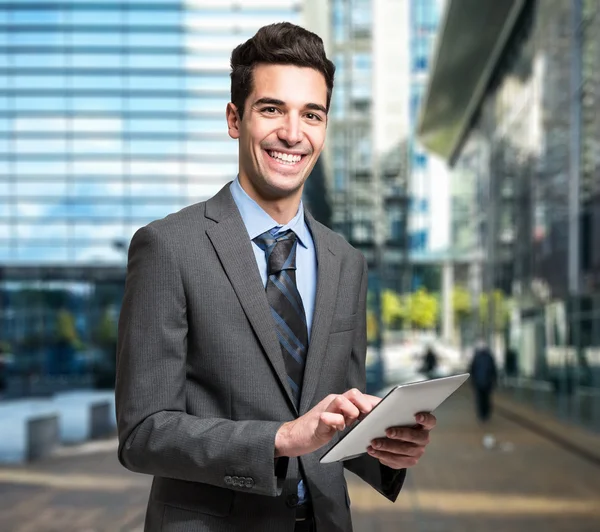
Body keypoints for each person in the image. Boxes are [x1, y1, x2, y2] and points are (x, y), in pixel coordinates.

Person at [115, 22, 436, 532]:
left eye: (312, 114)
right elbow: (142, 434)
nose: (293, 133)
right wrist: (278, 440)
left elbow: (332, 420)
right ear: (234, 119)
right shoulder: (168, 248)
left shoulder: (346, 262)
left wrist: (383, 446)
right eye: (272, 109)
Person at [469, 340, 498, 449]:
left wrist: (473, 381)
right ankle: (486, 414)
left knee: (481, 399)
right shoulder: (489, 357)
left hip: (479, 382)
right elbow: (494, 369)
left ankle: (482, 415)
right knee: (486, 399)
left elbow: (472, 369)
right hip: (487, 382)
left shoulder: (476, 357)